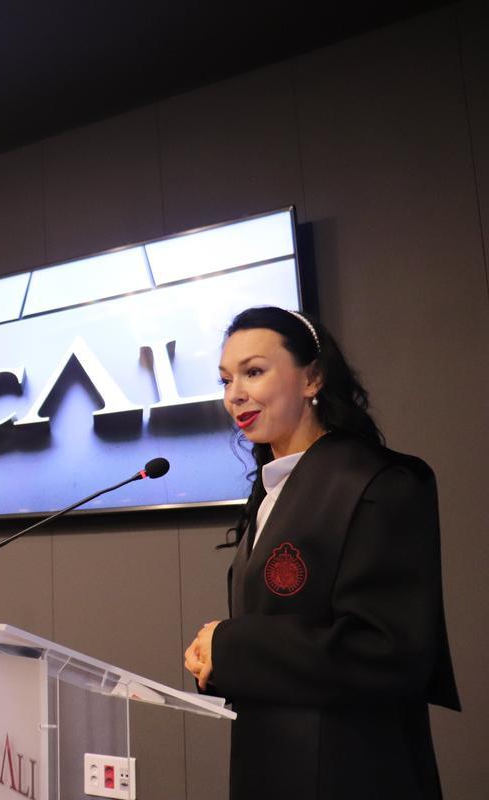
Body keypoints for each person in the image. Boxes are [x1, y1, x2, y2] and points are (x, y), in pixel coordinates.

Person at [184, 306, 459, 800]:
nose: (234, 396)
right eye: (226, 380)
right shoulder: (271, 491)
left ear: (312, 377)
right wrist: (215, 659)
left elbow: (388, 651)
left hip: (352, 771)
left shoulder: (379, 482)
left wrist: (230, 646)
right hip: (268, 764)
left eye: (254, 372)